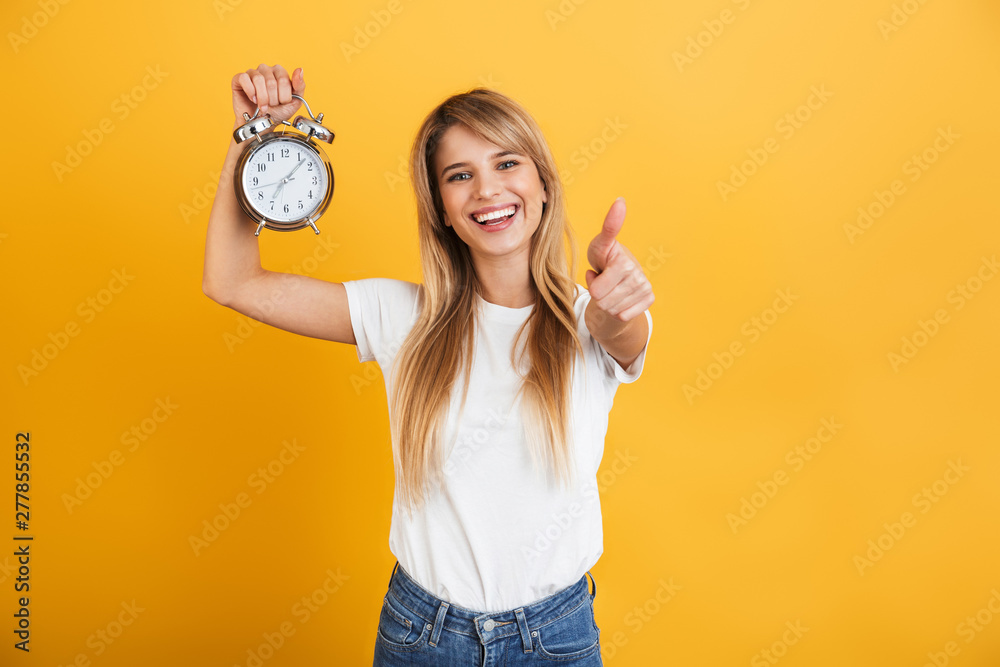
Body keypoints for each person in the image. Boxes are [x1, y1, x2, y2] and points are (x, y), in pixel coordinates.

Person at [203, 63, 655, 666]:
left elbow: (622, 333)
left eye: (507, 163)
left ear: (544, 185)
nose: (488, 190)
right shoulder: (400, 316)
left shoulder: (591, 317)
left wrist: (616, 306)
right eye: (460, 175)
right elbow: (232, 282)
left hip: (557, 638)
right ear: (441, 207)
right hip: (423, 636)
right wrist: (254, 140)